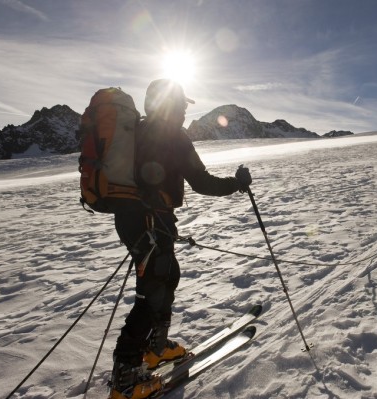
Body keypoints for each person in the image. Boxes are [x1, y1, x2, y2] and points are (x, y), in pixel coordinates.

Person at [108, 79, 252, 399]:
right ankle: (126, 377)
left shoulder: (139, 131)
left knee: (167, 278)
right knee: (152, 295)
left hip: (139, 221)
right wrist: (237, 184)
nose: (185, 111)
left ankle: (154, 348)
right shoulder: (172, 135)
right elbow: (201, 181)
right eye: (182, 105)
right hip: (149, 222)